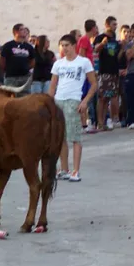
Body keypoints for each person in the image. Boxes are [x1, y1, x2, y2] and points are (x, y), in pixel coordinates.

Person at [49, 34, 98, 183]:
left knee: (75, 137)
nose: (64, 48)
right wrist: (49, 102)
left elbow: (94, 84)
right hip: (59, 100)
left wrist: (85, 101)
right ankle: (64, 169)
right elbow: (52, 85)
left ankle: (76, 170)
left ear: (74, 46)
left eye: (67, 45)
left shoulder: (83, 62)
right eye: (62, 45)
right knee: (60, 137)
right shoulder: (58, 64)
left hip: (74, 100)